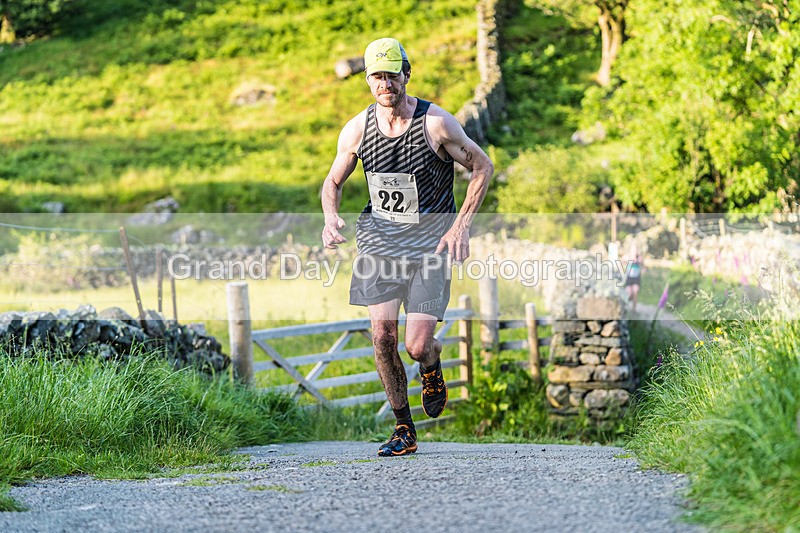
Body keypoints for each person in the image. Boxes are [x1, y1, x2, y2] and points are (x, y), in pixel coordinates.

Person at [321, 37, 493, 456]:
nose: (385, 84)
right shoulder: (358, 128)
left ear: (406, 74)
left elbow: (482, 165)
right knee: (381, 336)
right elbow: (332, 181)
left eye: (392, 75)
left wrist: (461, 227)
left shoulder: (435, 123)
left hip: (429, 249)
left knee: (415, 345)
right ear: (368, 80)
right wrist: (330, 217)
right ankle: (403, 428)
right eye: (377, 76)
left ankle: (431, 363)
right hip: (379, 244)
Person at [624, 244, 643, 312]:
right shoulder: (627, 256)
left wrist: (642, 269)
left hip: (636, 278)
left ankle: (633, 310)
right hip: (629, 278)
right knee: (629, 293)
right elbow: (622, 262)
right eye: (633, 249)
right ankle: (625, 307)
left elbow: (644, 268)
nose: (634, 251)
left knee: (635, 292)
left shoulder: (639, 258)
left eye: (636, 249)